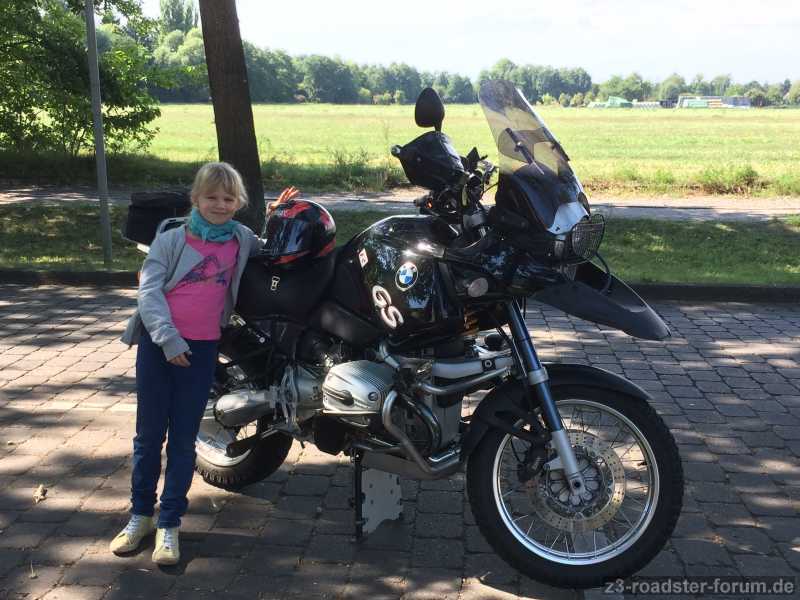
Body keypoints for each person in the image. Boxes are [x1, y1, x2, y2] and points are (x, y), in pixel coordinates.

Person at [113, 162, 298, 564]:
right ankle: (140, 515)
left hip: (201, 352)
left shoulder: (240, 239)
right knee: (148, 438)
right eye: (211, 197)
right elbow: (149, 293)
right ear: (195, 199)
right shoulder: (171, 240)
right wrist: (168, 339)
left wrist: (278, 217)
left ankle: (169, 524)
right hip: (159, 347)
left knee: (184, 441)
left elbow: (271, 251)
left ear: (239, 202)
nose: (220, 204)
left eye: (228, 198)